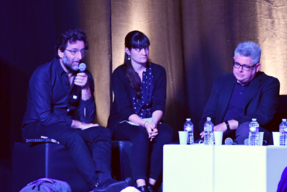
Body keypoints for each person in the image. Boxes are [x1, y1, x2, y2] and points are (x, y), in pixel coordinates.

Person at [22, 29, 130, 192]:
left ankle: (105, 180)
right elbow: (44, 117)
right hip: (37, 126)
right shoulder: (43, 74)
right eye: (73, 51)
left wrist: (86, 88)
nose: (79, 57)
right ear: (60, 52)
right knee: (73, 136)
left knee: (102, 132)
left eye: (82, 51)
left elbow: (87, 119)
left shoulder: (85, 76)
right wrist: (78, 124)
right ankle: (96, 185)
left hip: (66, 127)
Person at [107, 31, 174, 192]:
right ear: (128, 51)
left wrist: (153, 123)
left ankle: (151, 183)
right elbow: (124, 109)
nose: (144, 52)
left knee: (166, 132)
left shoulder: (158, 71)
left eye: (146, 48)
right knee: (140, 134)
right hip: (125, 121)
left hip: (151, 119)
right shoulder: (119, 73)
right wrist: (145, 124)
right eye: (138, 49)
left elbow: (159, 104)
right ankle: (140, 185)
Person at [199, 41, 280, 144]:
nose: (239, 70)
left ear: (257, 67)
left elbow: (263, 115)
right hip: (221, 137)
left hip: (251, 136)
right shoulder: (221, 82)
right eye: (237, 64)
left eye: (246, 66)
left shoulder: (269, 83)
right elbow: (208, 116)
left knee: (246, 128)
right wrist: (209, 129)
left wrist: (228, 125)